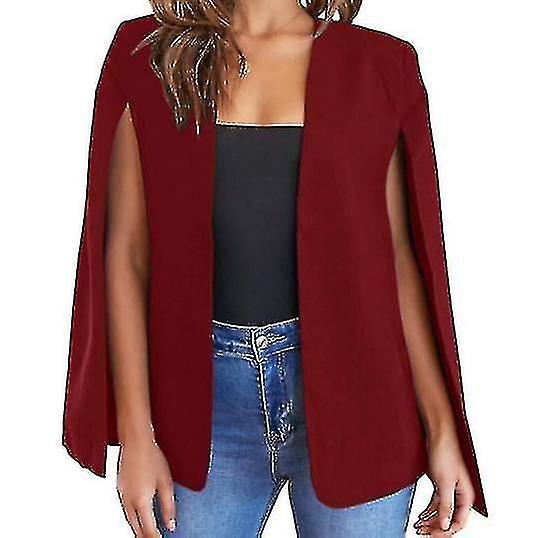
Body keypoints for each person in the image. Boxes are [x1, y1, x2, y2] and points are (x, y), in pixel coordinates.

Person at [62, 1, 488, 536]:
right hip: (200, 408)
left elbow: (400, 258)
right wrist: (136, 435)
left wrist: (443, 429)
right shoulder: (150, 52)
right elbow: (126, 254)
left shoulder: (380, 63)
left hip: (363, 398)